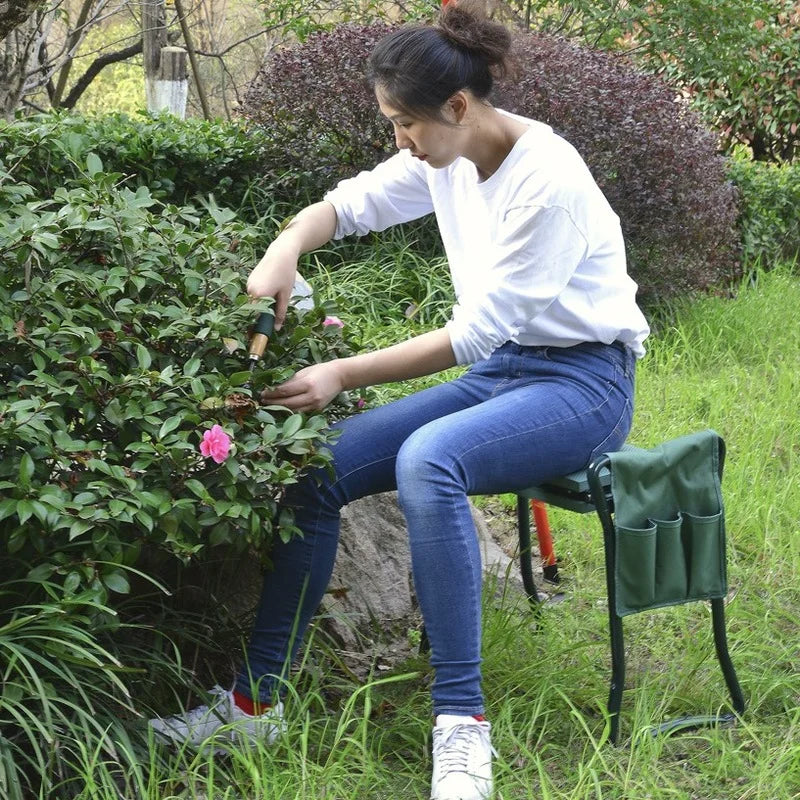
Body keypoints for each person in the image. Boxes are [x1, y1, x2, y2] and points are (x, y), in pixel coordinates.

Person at [149, 2, 650, 797]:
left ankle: (462, 728)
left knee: (430, 460)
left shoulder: (546, 181)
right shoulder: (442, 158)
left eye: (404, 123)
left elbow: (478, 333)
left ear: (457, 108)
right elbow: (349, 205)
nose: (399, 141)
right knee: (316, 473)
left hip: (584, 384)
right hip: (508, 374)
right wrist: (286, 246)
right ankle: (255, 704)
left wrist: (342, 373)